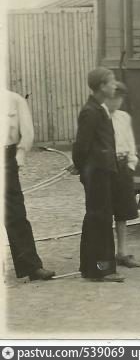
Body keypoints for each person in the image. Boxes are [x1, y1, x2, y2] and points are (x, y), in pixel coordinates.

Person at [72, 67, 124, 282]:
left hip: (102, 172)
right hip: (97, 173)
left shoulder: (99, 108)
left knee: (99, 218)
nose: (115, 86)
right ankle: (98, 270)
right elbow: (81, 145)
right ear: (101, 86)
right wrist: (81, 167)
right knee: (99, 219)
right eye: (111, 82)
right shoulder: (91, 111)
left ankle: (91, 268)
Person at [4, 90, 55, 282]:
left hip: (6, 159)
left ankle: (31, 267)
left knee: (16, 214)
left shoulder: (14, 100)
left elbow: (27, 132)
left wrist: (20, 155)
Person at [105, 82, 140, 268]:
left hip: (123, 167)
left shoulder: (124, 117)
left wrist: (131, 164)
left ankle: (122, 252)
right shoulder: (99, 117)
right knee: (104, 212)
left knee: (123, 212)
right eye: (113, 98)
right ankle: (105, 254)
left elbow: (130, 141)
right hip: (106, 167)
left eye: (119, 99)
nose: (116, 102)